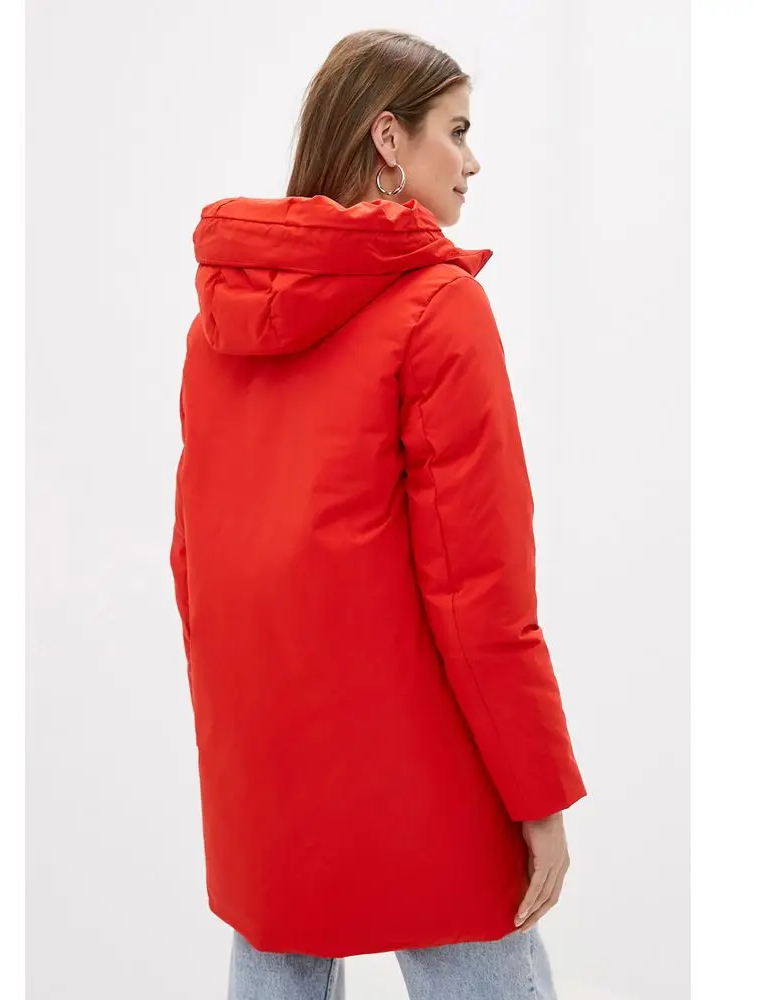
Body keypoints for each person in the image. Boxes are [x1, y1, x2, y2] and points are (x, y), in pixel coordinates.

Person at [170, 28, 588, 1000]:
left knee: (275, 964)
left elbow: (196, 564)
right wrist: (539, 795)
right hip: (427, 772)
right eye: (457, 130)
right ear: (389, 138)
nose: (472, 160)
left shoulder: (219, 321)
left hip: (265, 765)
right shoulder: (438, 307)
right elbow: (479, 589)